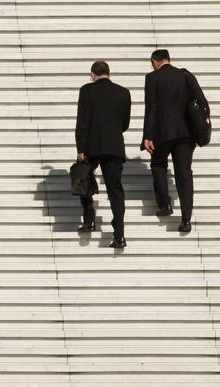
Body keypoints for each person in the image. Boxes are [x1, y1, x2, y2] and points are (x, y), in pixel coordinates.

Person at [141, 49, 209, 233]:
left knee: (157, 165)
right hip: (185, 134)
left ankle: (164, 204)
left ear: (154, 61)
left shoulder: (152, 78)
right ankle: (186, 219)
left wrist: (147, 136)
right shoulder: (185, 75)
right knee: (184, 175)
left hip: (162, 133)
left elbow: (151, 108)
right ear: (169, 59)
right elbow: (202, 101)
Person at [75, 60, 132, 248]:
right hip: (114, 147)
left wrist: (80, 149)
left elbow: (82, 122)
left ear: (92, 74)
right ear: (109, 73)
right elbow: (125, 123)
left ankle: (89, 219)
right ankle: (119, 235)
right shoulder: (123, 92)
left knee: (82, 178)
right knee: (115, 190)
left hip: (92, 146)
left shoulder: (86, 90)